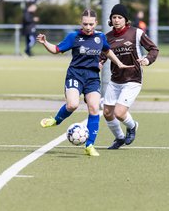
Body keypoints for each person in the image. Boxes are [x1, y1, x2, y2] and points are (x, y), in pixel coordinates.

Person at [36, 9, 134, 157]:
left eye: (91, 24)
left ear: (96, 23)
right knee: (72, 105)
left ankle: (89, 145)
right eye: (85, 24)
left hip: (92, 77)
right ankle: (56, 120)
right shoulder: (73, 37)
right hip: (75, 75)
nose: (88, 27)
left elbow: (107, 51)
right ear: (81, 23)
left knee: (94, 108)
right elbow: (56, 49)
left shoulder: (100, 37)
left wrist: (119, 63)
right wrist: (45, 42)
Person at [101, 4, 159, 149]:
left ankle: (132, 126)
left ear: (125, 19)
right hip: (115, 79)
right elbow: (102, 56)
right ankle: (119, 138)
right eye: (114, 17)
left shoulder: (136, 33)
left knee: (120, 113)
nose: (116, 20)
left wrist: (147, 59)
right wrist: (99, 63)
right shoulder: (107, 38)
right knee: (108, 113)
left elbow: (154, 49)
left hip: (133, 78)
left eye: (119, 17)